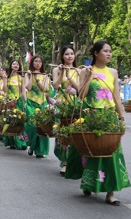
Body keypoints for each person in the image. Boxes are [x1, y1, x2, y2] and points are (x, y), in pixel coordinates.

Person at [65, 40, 130, 206]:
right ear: (96, 53)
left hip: (108, 117)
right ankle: (89, 183)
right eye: (105, 51)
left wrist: (121, 118)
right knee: (90, 151)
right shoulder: (86, 71)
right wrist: (87, 77)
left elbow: (116, 96)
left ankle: (110, 192)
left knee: (111, 152)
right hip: (91, 115)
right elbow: (81, 95)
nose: (109, 54)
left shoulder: (114, 72)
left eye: (110, 51)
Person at [52, 46, 80, 175]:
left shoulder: (78, 70)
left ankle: (73, 161)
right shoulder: (56, 69)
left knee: (75, 132)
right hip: (62, 104)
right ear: (62, 56)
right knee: (63, 132)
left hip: (74, 104)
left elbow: (80, 89)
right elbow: (56, 85)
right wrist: (63, 73)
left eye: (72, 54)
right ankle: (64, 162)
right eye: (67, 54)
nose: (70, 56)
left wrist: (70, 75)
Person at [24, 55, 50, 158]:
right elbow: (29, 87)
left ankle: (40, 151)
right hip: (31, 102)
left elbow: (44, 89)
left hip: (42, 103)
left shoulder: (45, 75)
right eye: (35, 61)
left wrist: (37, 78)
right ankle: (32, 145)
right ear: (32, 63)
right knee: (31, 125)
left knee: (43, 127)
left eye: (40, 61)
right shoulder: (27, 74)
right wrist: (31, 76)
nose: (38, 63)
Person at [2, 60, 27, 150]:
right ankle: (11, 141)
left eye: (17, 64)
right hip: (9, 101)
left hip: (19, 101)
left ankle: (21, 142)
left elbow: (23, 90)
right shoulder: (7, 77)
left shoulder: (21, 77)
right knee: (10, 121)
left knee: (20, 120)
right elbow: (5, 90)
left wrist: (25, 100)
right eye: (14, 64)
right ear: (11, 66)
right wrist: (5, 79)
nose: (16, 65)